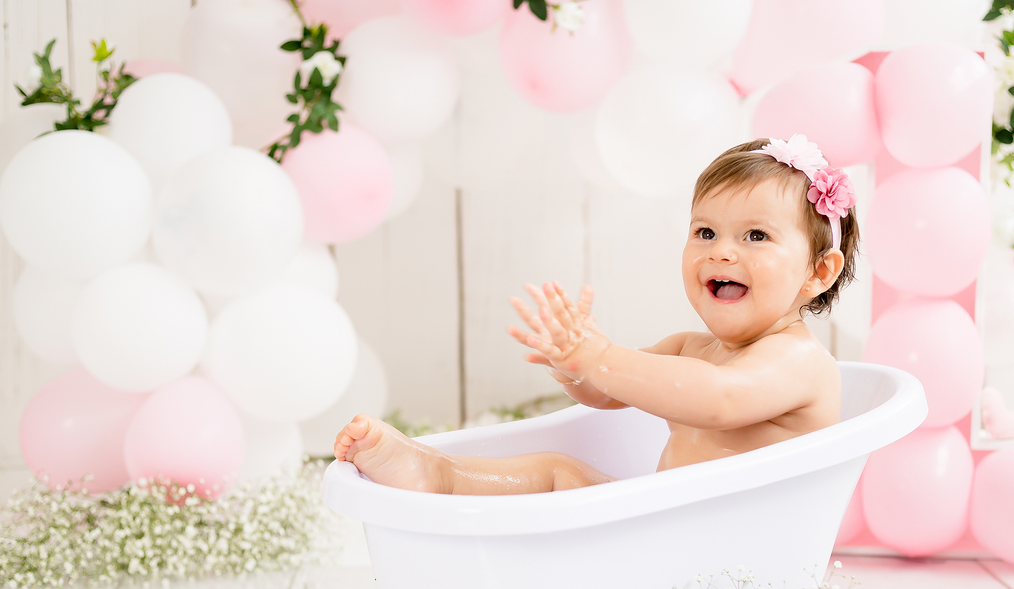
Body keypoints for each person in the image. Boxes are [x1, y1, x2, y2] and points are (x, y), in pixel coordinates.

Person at [333, 135, 859, 494]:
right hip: (668, 529)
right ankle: (436, 474)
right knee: (557, 473)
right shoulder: (690, 349)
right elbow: (608, 394)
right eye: (705, 232)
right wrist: (575, 362)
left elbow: (720, 400)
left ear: (818, 272)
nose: (721, 251)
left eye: (756, 235)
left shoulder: (798, 360)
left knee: (564, 476)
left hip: (734, 555)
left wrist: (601, 357)